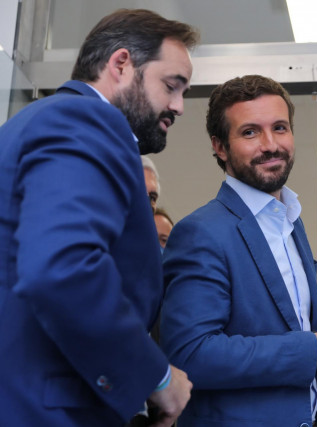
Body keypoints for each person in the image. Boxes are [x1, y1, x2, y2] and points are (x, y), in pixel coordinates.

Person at [0, 9, 199, 427]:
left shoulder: (35, 122)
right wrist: (157, 377)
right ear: (121, 64)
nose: (179, 106)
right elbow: (62, 267)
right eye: (171, 86)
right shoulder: (86, 119)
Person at [160, 75, 317, 426]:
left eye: (280, 127)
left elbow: (296, 327)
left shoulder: (290, 220)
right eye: (250, 132)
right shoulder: (200, 233)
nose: (270, 144)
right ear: (220, 146)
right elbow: (191, 355)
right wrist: (312, 351)